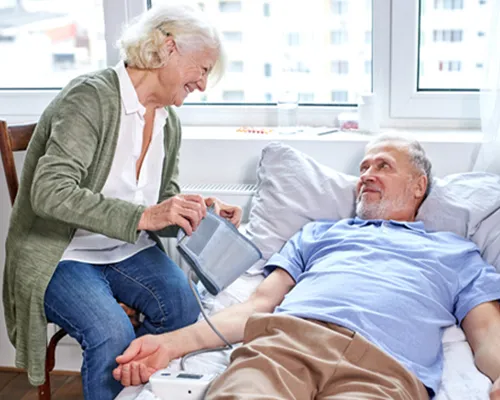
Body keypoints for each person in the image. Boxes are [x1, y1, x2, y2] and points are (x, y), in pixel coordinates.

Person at [113, 135, 500, 400]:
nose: (367, 174)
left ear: (419, 186)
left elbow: (486, 333)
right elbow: (256, 305)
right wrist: (171, 343)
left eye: (383, 166)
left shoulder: (457, 252)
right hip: (285, 344)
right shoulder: (318, 234)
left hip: (385, 365)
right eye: (365, 167)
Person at [2, 4, 241, 400]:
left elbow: (161, 203)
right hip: (62, 252)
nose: (202, 83)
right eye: (202, 68)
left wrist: (195, 212)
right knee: (109, 331)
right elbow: (49, 191)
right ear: (167, 49)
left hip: (125, 249)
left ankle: (134, 391)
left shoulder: (168, 120)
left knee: (182, 310)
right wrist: (146, 215)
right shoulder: (90, 97)